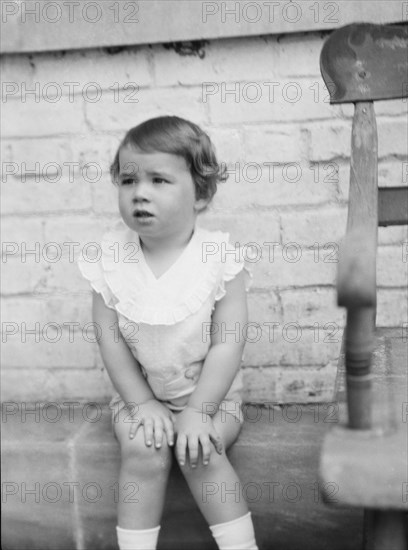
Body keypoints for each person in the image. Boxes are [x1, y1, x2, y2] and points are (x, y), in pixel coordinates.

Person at [77, 116, 258, 550]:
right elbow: (110, 338)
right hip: (139, 397)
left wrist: (199, 411)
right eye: (128, 180)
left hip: (214, 398)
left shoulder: (219, 257)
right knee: (143, 451)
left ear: (201, 193)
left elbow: (227, 343)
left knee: (202, 452)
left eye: (159, 180)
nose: (140, 192)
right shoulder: (111, 257)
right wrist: (141, 403)